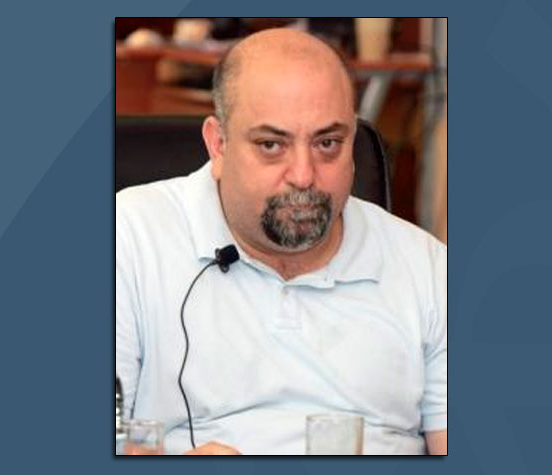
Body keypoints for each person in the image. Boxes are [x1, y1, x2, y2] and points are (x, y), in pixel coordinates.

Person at [116, 28, 447, 455]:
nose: (304, 176)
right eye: (272, 144)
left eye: (328, 143)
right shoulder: (128, 237)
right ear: (218, 144)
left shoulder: (428, 268)